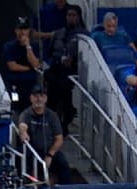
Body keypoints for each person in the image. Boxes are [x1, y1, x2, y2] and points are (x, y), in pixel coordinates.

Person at [17, 84, 72, 185]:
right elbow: (22, 126)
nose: (39, 99)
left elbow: (59, 138)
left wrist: (50, 155)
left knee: (63, 164)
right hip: (31, 152)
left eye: (42, 96)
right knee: (19, 159)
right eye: (36, 96)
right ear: (31, 98)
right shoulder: (26, 114)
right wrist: (23, 133)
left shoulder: (52, 115)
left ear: (46, 98)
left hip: (49, 151)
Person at [43, 4, 85, 132]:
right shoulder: (58, 33)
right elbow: (48, 54)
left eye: (73, 15)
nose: (70, 18)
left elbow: (86, 58)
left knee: (66, 97)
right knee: (52, 99)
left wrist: (74, 62)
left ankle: (65, 123)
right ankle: (51, 126)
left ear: (78, 17)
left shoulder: (84, 35)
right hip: (56, 71)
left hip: (72, 73)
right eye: (68, 15)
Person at [4, 17, 43, 115]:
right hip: (14, 84)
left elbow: (36, 64)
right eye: (20, 29)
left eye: (25, 29)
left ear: (29, 30)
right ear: (16, 30)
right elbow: (12, 66)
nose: (22, 32)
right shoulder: (9, 46)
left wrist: (28, 46)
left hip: (30, 85)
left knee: (31, 109)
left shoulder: (35, 45)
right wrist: (28, 68)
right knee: (15, 106)